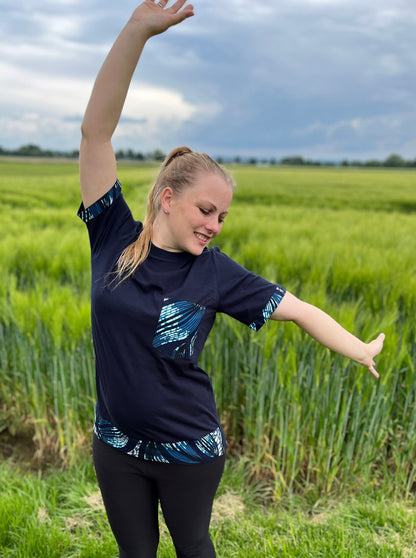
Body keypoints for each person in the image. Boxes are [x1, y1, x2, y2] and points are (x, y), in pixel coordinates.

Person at [78, 1, 385, 557]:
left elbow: (301, 310)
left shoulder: (215, 272)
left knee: (193, 547)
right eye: (205, 211)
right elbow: (95, 134)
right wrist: (137, 31)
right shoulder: (112, 236)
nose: (214, 226)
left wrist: (358, 346)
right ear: (168, 199)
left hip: (190, 447)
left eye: (222, 217)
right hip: (116, 443)